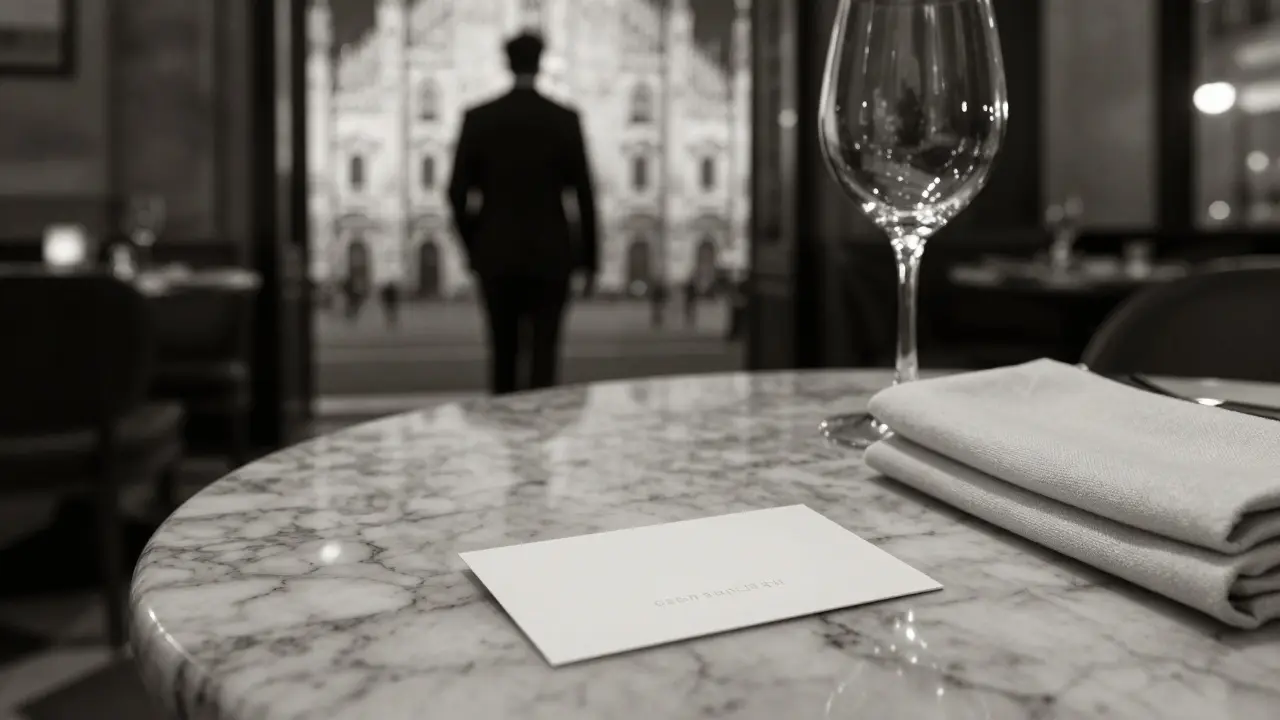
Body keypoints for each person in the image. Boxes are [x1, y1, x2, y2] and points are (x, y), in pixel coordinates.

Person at [448, 32, 599, 395]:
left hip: (496, 254)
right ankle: (540, 441)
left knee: (502, 354)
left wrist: (476, 243)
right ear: (541, 62)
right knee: (545, 355)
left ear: (507, 63)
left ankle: (506, 440)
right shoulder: (564, 119)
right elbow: (584, 194)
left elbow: (455, 193)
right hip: (552, 254)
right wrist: (589, 260)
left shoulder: (479, 118)